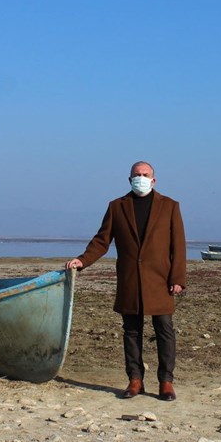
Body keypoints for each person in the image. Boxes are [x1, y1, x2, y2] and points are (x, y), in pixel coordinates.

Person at [66, 161, 187, 400]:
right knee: (131, 330)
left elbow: (179, 246)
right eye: (137, 175)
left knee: (164, 328)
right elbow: (102, 241)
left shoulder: (170, 206)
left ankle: (166, 382)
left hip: (160, 280)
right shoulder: (117, 207)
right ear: (129, 179)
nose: (141, 178)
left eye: (145, 175)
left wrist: (178, 278)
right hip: (130, 279)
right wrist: (82, 260)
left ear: (154, 180)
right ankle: (135, 380)